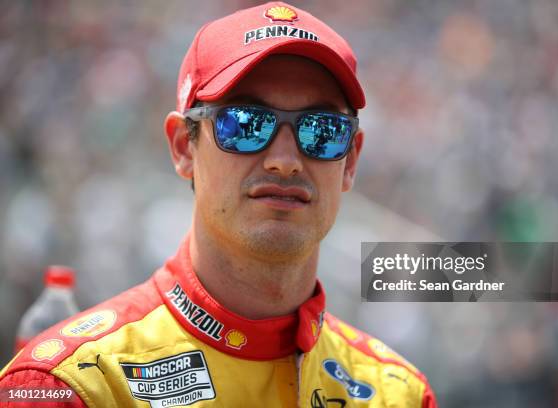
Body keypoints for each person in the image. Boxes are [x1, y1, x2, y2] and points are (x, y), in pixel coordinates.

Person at [0, 3, 437, 407]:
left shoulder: (398, 393)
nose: (285, 162)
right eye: (245, 123)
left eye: (321, 130)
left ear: (351, 160)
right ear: (182, 148)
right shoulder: (72, 385)